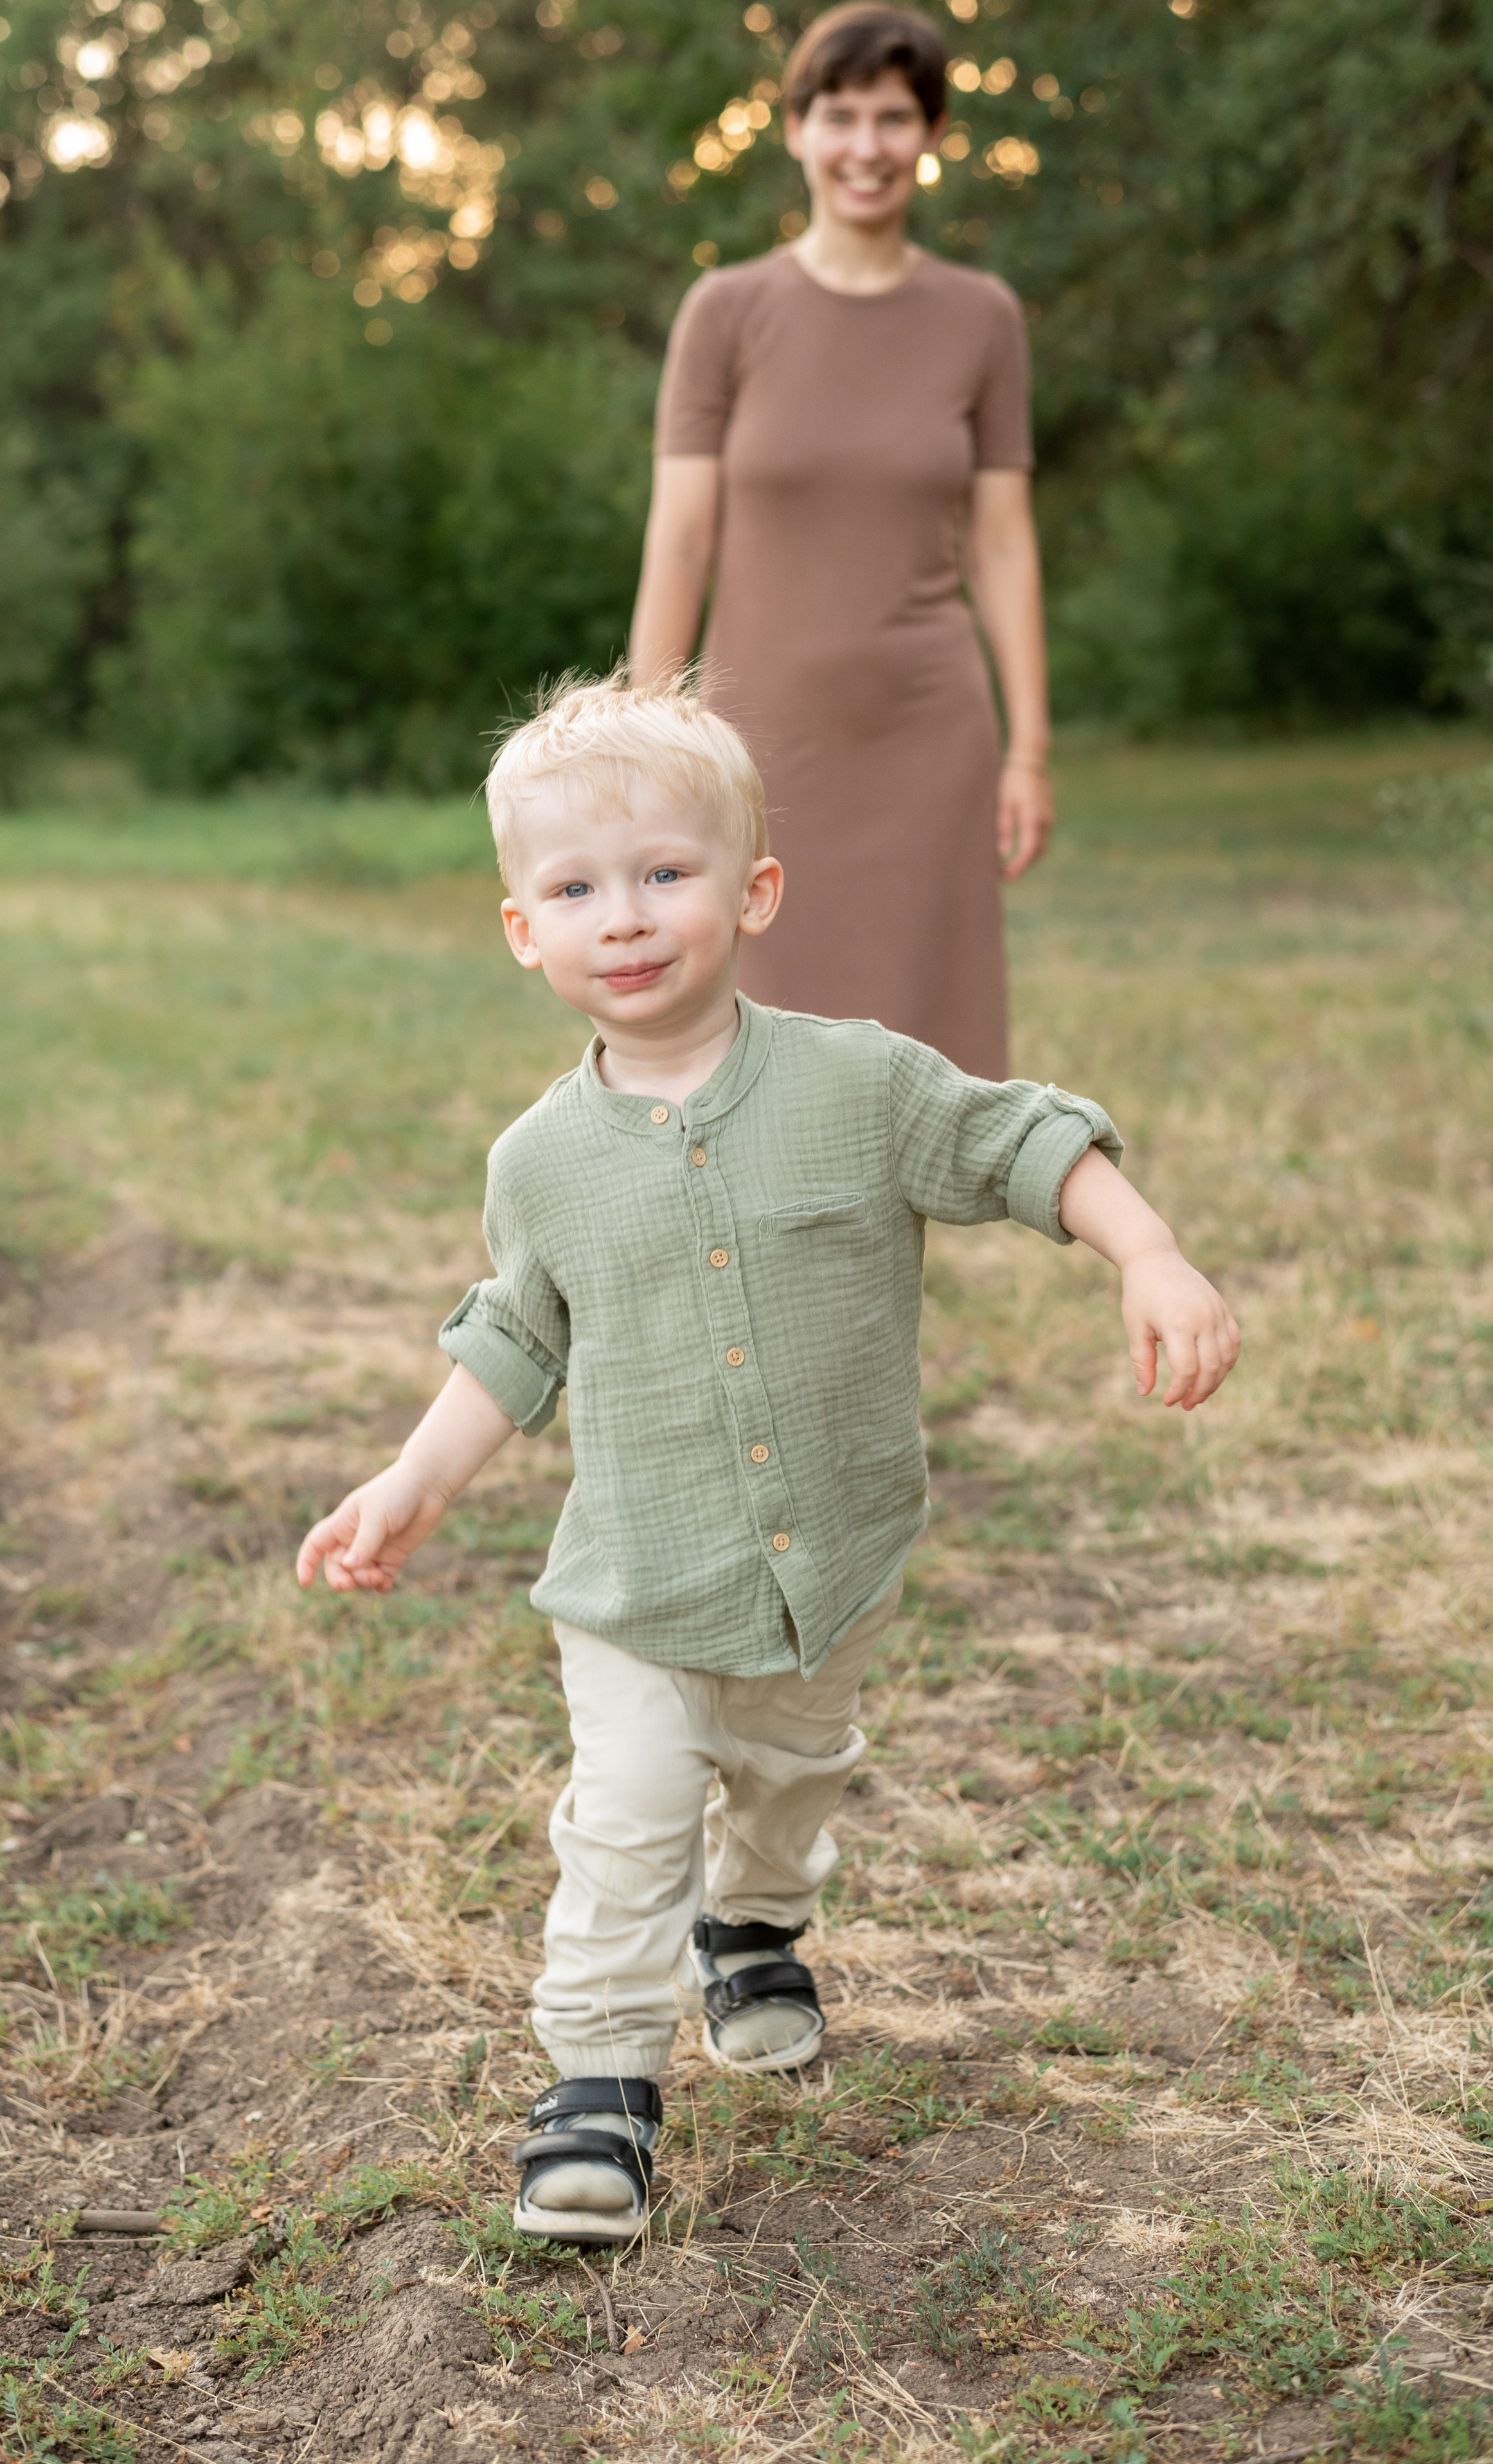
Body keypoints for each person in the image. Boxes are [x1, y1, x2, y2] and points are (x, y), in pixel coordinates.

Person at [295, 675, 1239, 2247]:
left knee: (795, 1778)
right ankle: (597, 2079)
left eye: (665, 873)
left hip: (833, 1556)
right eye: (576, 888)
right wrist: (411, 1480)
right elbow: (513, 1341)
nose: (627, 916)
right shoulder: (537, 1162)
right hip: (638, 1581)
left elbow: (1021, 1144)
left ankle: (755, 1923)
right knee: (628, 1816)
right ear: (522, 929)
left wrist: (1147, 1254)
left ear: (753, 891)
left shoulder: (858, 1084)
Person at [631, 1, 1051, 1079]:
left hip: (927, 733)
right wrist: (644, 736)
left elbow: (1003, 544)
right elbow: (679, 542)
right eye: (844, 116)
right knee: (745, 1051)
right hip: (759, 744)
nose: (869, 147)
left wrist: (1030, 748)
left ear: (932, 135)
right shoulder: (725, 312)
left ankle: (895, 1256)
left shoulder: (982, 319)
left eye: (896, 119)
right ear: (797, 128)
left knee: (918, 1058)